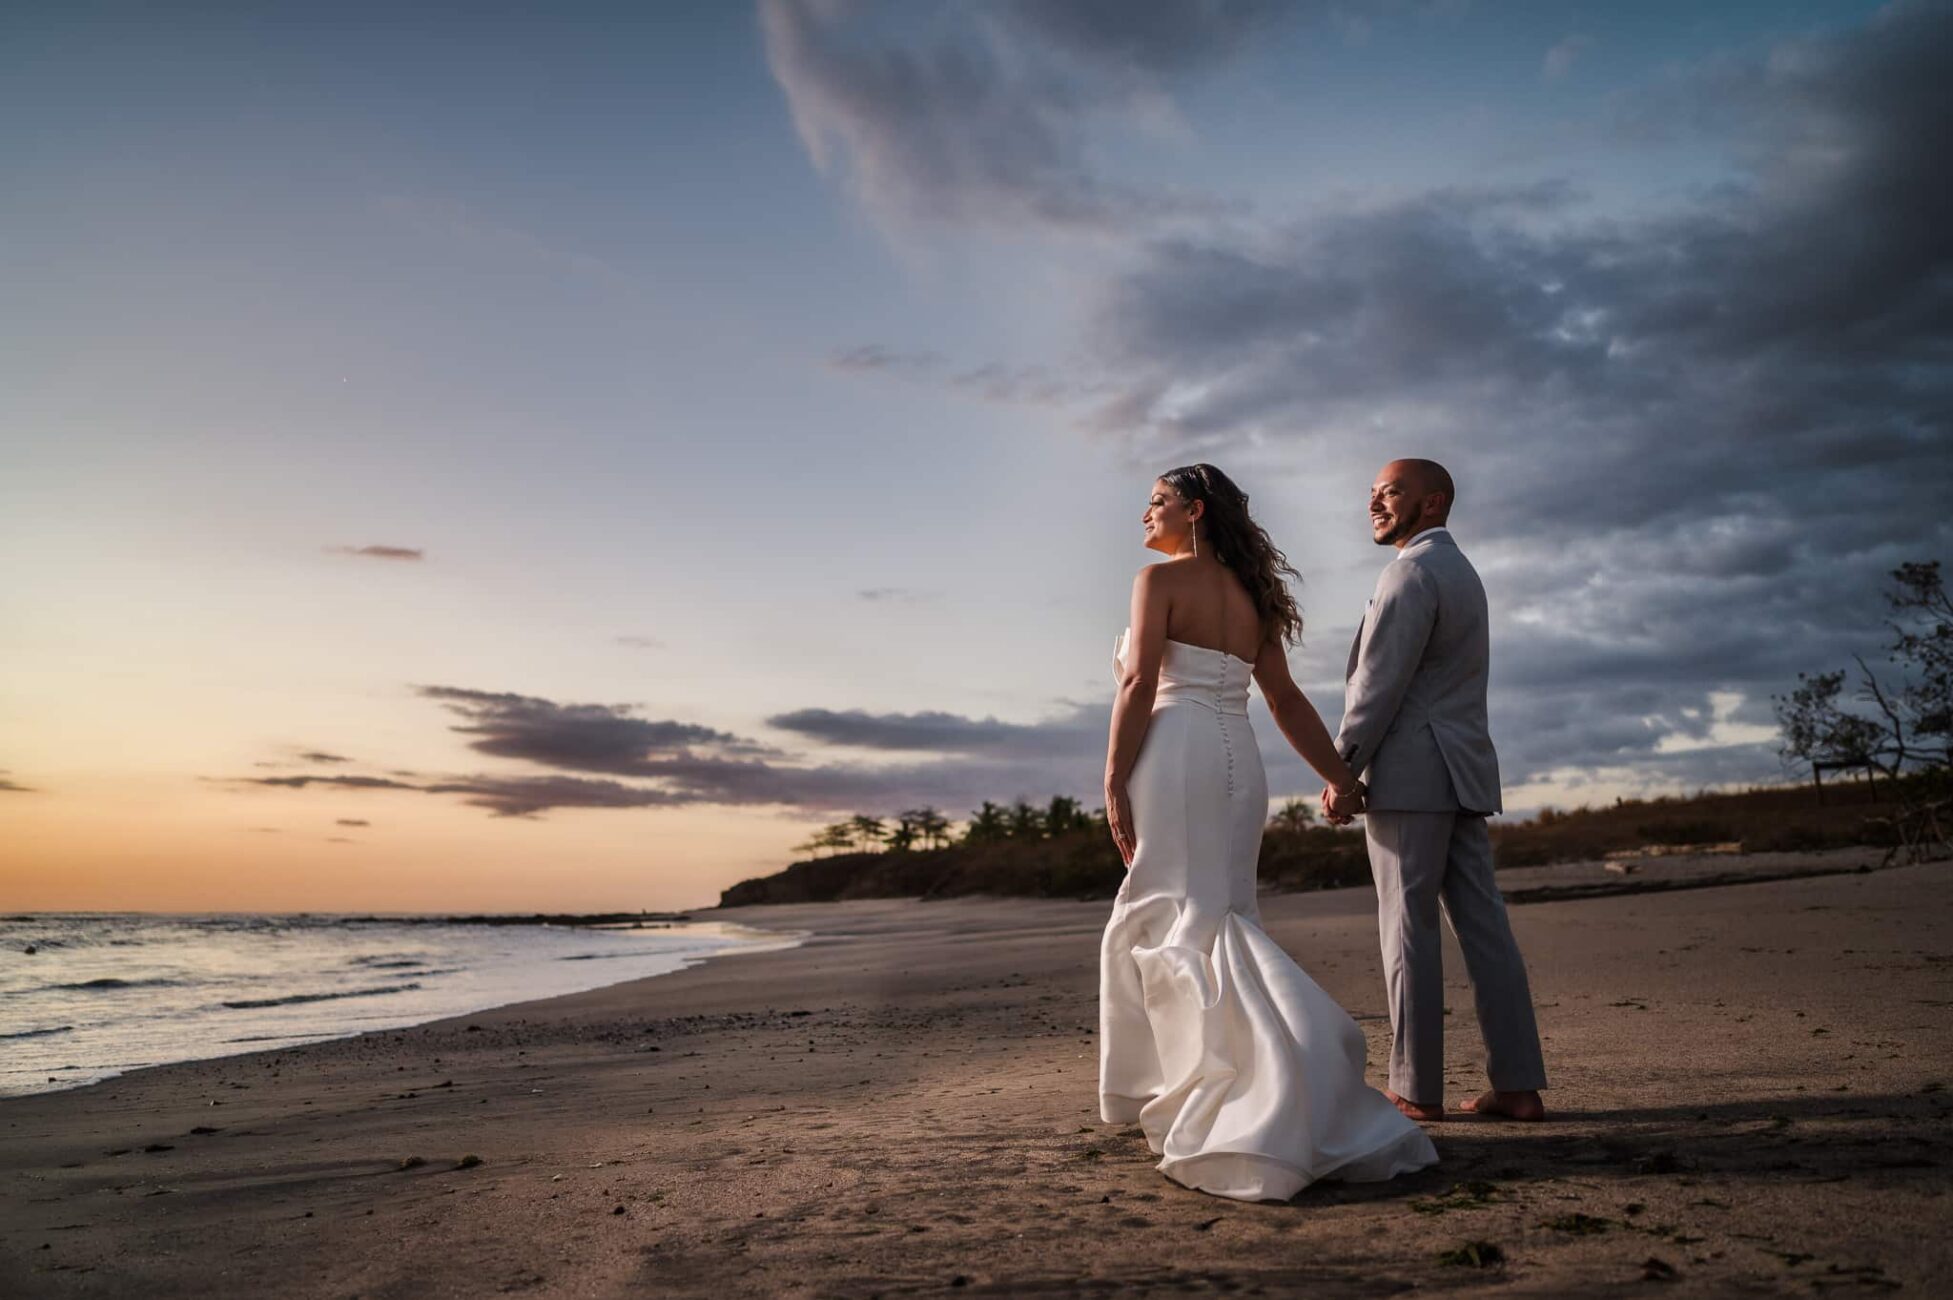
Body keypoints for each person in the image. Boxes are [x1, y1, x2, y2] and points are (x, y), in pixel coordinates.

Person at [1098, 462, 1438, 1202]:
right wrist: (1339, 777)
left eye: (1154, 503)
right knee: (1214, 912)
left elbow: (1136, 684)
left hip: (1174, 752)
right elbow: (1281, 700)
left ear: (1192, 512)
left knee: (1172, 913)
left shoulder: (1154, 584)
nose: (1143, 516)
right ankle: (1238, 1077)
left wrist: (1112, 777)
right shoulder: (1252, 597)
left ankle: (1230, 1091)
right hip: (1236, 757)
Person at [1323, 458, 1548, 1122]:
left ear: (1431, 502)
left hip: (1413, 776)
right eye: (1369, 494)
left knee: (1407, 931)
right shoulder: (1462, 572)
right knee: (1486, 933)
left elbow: (1376, 687)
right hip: (1463, 773)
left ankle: (1415, 1091)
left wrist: (1342, 772)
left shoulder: (1410, 572)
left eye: (1389, 493)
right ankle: (1517, 1086)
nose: (1373, 504)